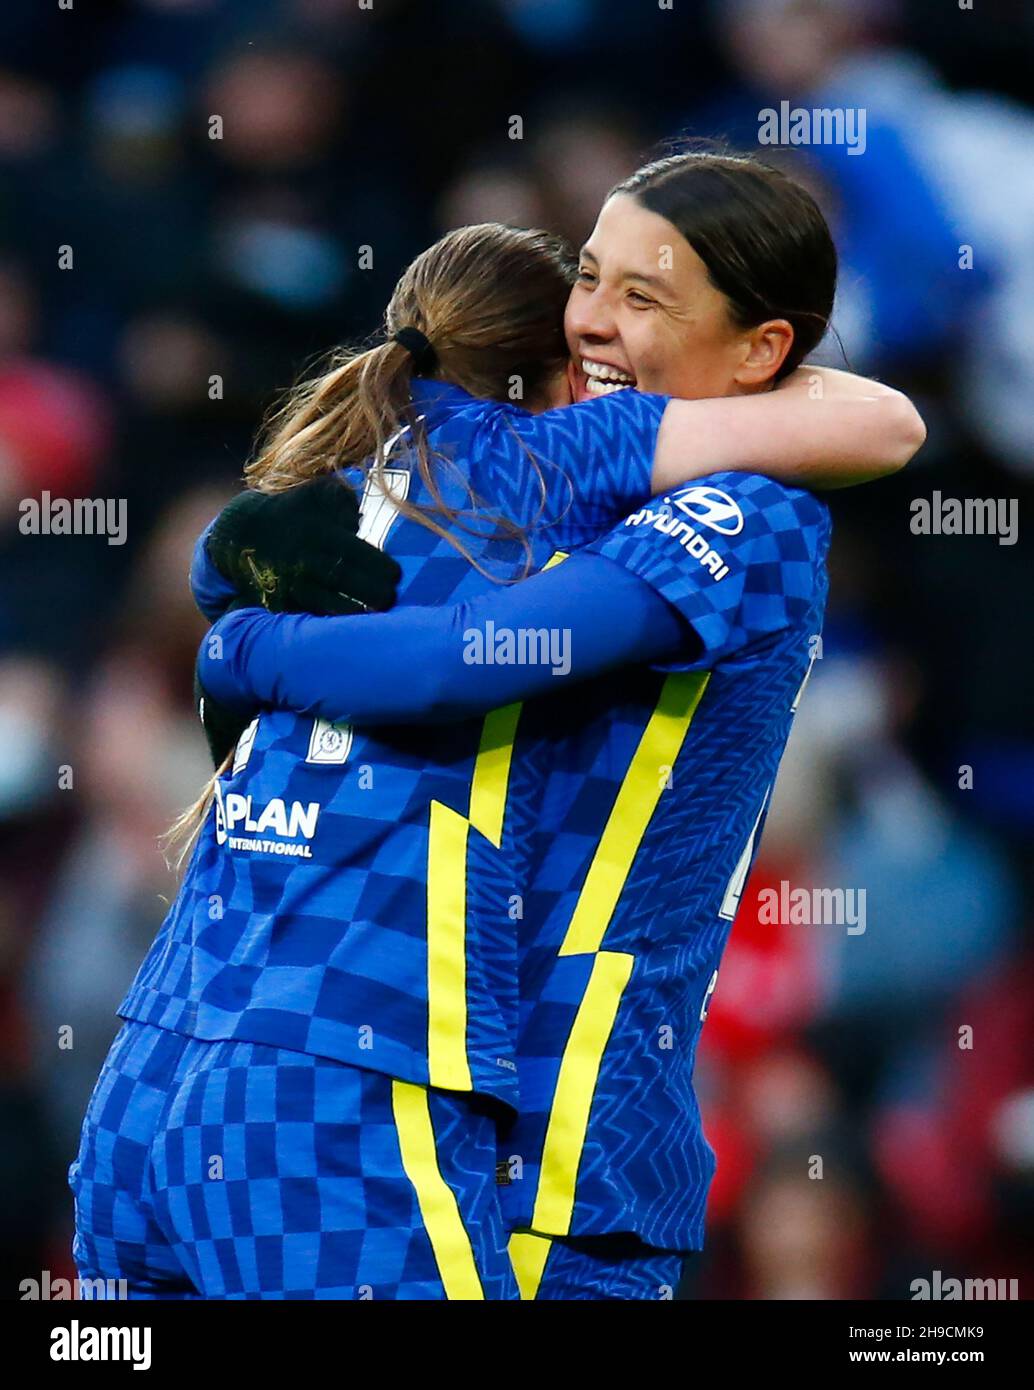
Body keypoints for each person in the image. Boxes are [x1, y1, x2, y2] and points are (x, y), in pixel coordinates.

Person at [73, 158, 922, 1301]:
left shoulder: (738, 512)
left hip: (503, 1123)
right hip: (424, 1111)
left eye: (643, 297)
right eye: (586, 279)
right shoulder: (520, 481)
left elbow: (882, 422)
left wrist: (240, 643)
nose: (596, 323)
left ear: (762, 350)